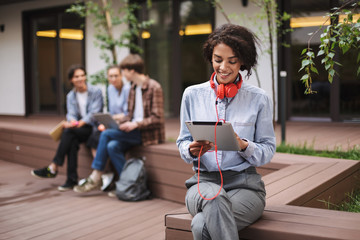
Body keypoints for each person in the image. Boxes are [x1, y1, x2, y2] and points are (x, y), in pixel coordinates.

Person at [176, 23, 276, 240]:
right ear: (210, 57)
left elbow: (268, 149)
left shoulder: (259, 99)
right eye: (217, 60)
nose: (223, 67)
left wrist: (244, 146)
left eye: (232, 61)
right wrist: (191, 150)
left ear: (243, 61)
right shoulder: (192, 95)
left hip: (246, 187)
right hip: (202, 185)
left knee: (202, 225)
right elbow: (182, 141)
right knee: (214, 198)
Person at [73, 54, 165, 193]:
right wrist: (115, 121)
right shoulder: (134, 88)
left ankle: (96, 175)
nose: (123, 75)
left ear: (131, 71)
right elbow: (129, 115)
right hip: (133, 130)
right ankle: (127, 185)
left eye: (124, 71)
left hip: (146, 133)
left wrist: (136, 125)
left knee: (106, 135)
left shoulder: (154, 87)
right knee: (112, 146)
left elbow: (157, 118)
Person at [31, 64, 104, 191]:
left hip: (93, 129)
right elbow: (71, 114)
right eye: (76, 77)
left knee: (68, 132)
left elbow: (94, 114)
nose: (80, 79)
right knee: (71, 141)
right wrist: (72, 121)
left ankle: (54, 167)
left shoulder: (95, 92)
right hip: (78, 130)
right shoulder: (71, 95)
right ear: (71, 80)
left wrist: (76, 124)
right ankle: (70, 180)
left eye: (82, 75)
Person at [86, 65, 131, 157]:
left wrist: (112, 118)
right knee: (94, 136)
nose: (113, 79)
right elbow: (111, 110)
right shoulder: (110, 89)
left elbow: (127, 114)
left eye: (116, 75)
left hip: (124, 124)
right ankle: (100, 169)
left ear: (121, 76)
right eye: (111, 76)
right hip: (113, 123)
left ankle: (99, 169)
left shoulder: (127, 89)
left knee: (104, 138)